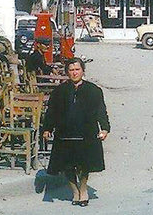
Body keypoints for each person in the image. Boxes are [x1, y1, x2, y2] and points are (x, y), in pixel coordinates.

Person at [43, 58, 110, 206]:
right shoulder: (59, 91)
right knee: (67, 165)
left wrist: (104, 129)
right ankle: (75, 191)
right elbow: (51, 112)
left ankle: (83, 188)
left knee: (84, 165)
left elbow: (101, 111)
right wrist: (47, 128)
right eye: (71, 70)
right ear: (67, 72)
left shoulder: (94, 90)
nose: (74, 73)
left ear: (83, 71)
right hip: (65, 133)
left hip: (85, 133)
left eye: (77, 69)